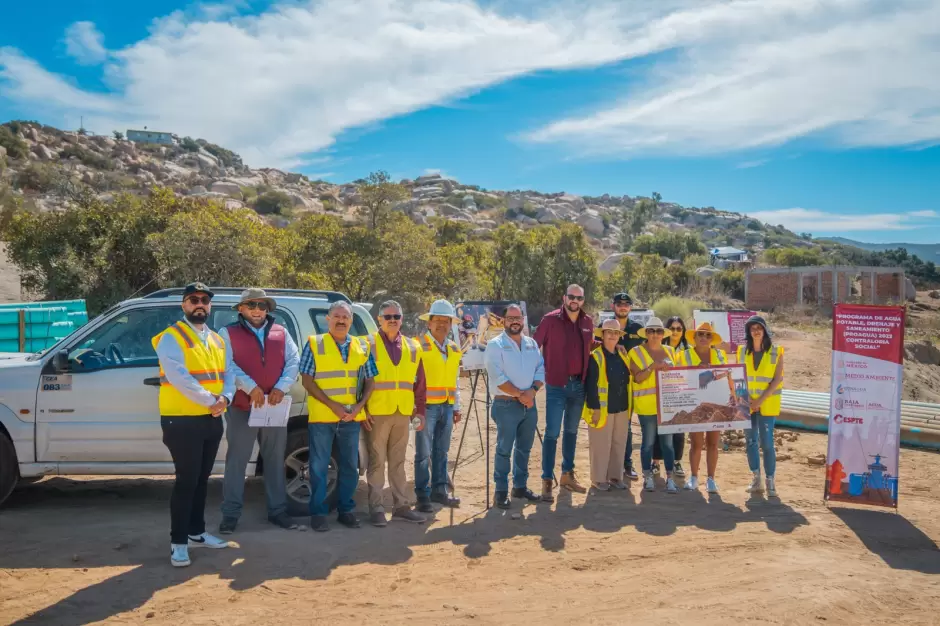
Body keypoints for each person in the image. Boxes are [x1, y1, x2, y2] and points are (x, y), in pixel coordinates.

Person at [153, 282, 234, 567]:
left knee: (202, 481)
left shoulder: (217, 339)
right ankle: (178, 542)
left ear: (210, 306)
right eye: (193, 300)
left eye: (204, 300)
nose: (200, 304)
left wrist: (225, 396)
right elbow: (179, 377)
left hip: (211, 418)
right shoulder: (171, 337)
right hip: (182, 420)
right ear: (184, 305)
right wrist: (211, 400)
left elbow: (229, 373)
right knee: (186, 481)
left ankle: (197, 533)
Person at [218, 289, 300, 534]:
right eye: (251, 304)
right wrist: (250, 387)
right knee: (237, 462)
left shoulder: (281, 333)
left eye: (262, 305)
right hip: (243, 407)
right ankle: (230, 515)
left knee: (275, 460)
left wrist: (281, 387)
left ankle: (277, 511)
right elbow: (226, 366)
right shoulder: (227, 333)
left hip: (274, 407)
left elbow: (293, 362)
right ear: (241, 308)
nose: (257, 310)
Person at [299, 301, 377, 532]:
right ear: (328, 319)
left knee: (350, 467)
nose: (341, 320)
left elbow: (371, 379)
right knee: (319, 467)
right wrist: (332, 405)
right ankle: (319, 514)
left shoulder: (361, 346)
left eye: (345, 317)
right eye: (337, 316)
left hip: (351, 417)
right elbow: (306, 379)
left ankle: (346, 510)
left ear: (351, 321)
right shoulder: (315, 344)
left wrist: (360, 405)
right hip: (323, 416)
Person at [365, 300, 427, 527]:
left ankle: (401, 506)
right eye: (387, 316)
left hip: (403, 412)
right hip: (377, 412)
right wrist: (362, 410)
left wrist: (419, 412)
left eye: (396, 317)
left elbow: (420, 383)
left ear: (402, 319)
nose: (392, 320)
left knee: (399, 462)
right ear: (379, 319)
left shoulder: (413, 347)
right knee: (377, 462)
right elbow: (357, 381)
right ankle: (377, 508)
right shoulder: (367, 344)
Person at [533, 284, 593, 501]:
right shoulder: (550, 320)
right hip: (556, 385)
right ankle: (547, 481)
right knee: (552, 433)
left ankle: (567, 475)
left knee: (571, 432)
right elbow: (533, 347)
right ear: (564, 298)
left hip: (579, 386)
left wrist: (610, 345)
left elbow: (589, 346)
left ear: (583, 300)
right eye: (571, 297)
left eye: (579, 297)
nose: (574, 300)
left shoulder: (587, 322)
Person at [485, 303, 545, 509]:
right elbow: (497, 376)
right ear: (503, 321)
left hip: (529, 405)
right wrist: (521, 394)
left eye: (518, 318)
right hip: (506, 405)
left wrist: (533, 392)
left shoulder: (531, 344)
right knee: (504, 449)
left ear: (523, 320)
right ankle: (500, 491)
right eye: (510, 318)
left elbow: (540, 369)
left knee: (524, 449)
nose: (515, 322)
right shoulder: (495, 345)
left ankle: (520, 487)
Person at [414, 300, 463, 511]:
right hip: (425, 409)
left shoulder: (453, 348)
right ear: (429, 323)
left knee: (441, 452)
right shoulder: (418, 346)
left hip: (447, 406)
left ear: (451, 324)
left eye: (447, 320)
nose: (442, 324)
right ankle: (422, 495)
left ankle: (439, 491)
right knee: (423, 453)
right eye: (438, 320)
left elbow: (456, 379)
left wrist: (457, 406)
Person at [675, 321, 728, 494]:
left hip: (714, 404)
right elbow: (678, 378)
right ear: (694, 337)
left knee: (713, 443)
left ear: (712, 339)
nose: (704, 338)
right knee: (696, 443)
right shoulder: (684, 355)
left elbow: (727, 376)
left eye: (708, 335)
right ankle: (694, 477)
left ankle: (711, 479)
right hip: (694, 404)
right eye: (700, 334)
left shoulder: (720, 355)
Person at [628, 317, 679, 494]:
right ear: (646, 333)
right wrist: (653, 367)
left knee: (668, 445)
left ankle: (670, 479)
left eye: (658, 331)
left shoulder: (672, 352)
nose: (655, 335)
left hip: (667, 407)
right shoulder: (635, 352)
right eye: (651, 331)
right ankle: (647, 476)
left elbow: (679, 378)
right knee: (648, 444)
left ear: (663, 334)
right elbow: (637, 377)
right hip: (646, 406)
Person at [737, 316, 784, 498]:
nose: (756, 331)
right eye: (752, 328)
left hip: (766, 404)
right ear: (748, 332)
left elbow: (776, 380)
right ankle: (756, 479)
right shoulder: (742, 352)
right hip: (747, 403)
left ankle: (770, 480)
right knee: (750, 442)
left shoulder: (776, 352)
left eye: (759, 327)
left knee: (767, 443)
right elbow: (738, 377)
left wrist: (759, 401)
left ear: (765, 330)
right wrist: (748, 400)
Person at [583, 319, 632, 491]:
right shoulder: (595, 357)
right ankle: (598, 479)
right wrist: (595, 408)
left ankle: (615, 477)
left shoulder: (623, 355)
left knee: (619, 443)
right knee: (601, 445)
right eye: (609, 332)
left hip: (622, 407)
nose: (612, 335)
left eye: (616, 332)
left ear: (619, 336)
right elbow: (591, 385)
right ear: (602, 335)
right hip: (602, 409)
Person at [610, 293, 644, 480]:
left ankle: (627, 464)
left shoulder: (638, 329)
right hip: (608, 385)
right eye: (619, 304)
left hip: (632, 385)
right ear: (613, 306)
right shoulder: (604, 327)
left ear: (631, 307)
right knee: (608, 427)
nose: (623, 307)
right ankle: (610, 465)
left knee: (627, 427)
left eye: (626, 304)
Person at [656, 316, 690, 478]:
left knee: (679, 429)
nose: (675, 332)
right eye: (673, 328)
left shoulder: (689, 350)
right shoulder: (659, 348)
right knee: (659, 428)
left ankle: (677, 462)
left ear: (683, 331)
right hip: (662, 394)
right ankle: (655, 462)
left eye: (679, 328)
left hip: (681, 395)